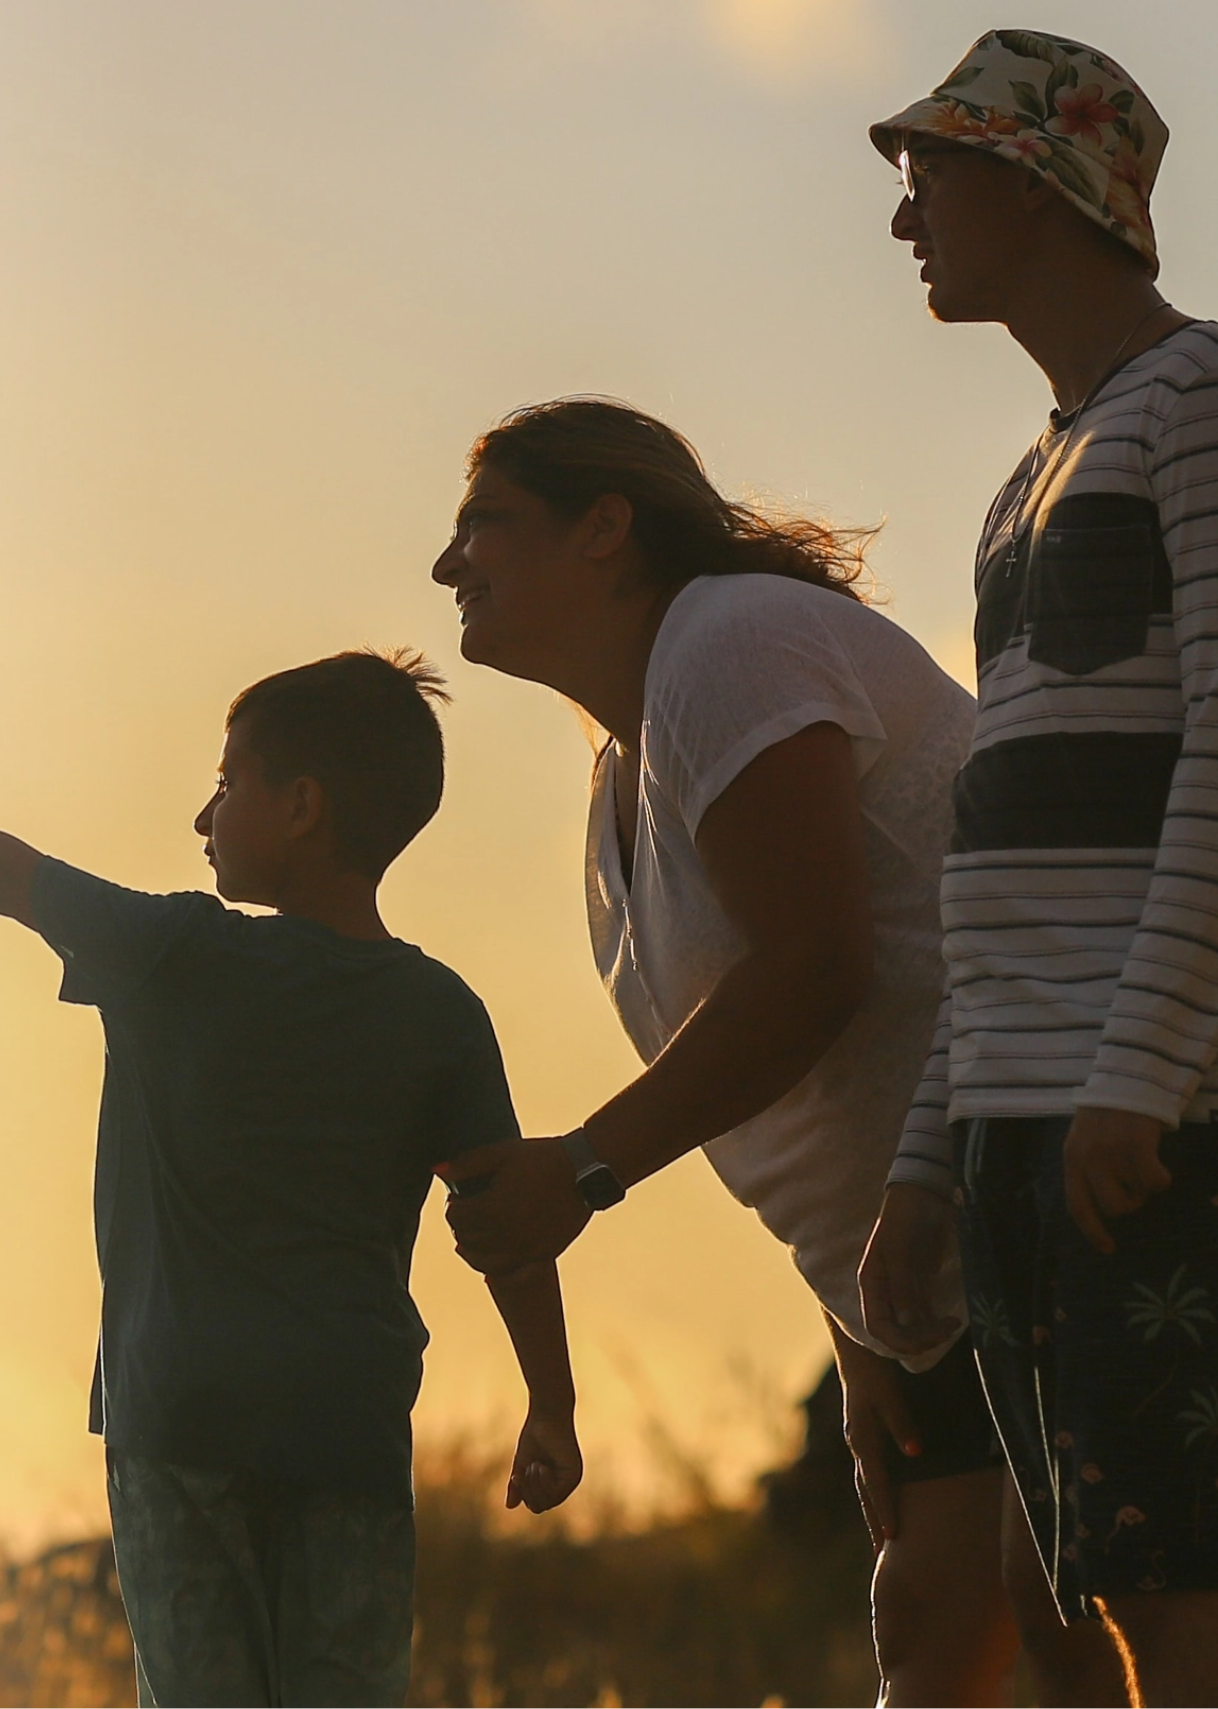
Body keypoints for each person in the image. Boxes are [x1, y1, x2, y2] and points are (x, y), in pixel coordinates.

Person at [0, 650, 576, 1709]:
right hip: (346, 1425)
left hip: (180, 1425)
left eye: (228, 781)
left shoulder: (173, 953)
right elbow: (504, 1219)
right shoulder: (439, 1010)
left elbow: (4, 870)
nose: (205, 814)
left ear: (300, 807)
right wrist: (551, 1402)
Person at [852, 31, 1218, 1709]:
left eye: (929, 172)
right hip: (1034, 1110)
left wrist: (1141, 1070)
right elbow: (998, 862)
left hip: (1158, 1117)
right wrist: (933, 1156)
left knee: (1172, 1595)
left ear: (1034, 182)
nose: (904, 215)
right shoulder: (1030, 480)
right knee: (1062, 1579)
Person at [430, 399, 1025, 1706]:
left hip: (1031, 1205)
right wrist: (859, 1337)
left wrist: (582, 1168)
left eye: (484, 523)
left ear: (605, 528)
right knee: (931, 1636)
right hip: (915, 1282)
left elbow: (818, 968)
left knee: (1078, 1653)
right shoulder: (616, 777)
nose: (447, 562)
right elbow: (806, 1087)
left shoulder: (732, 643)